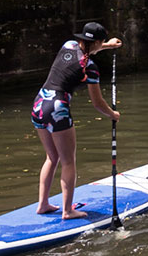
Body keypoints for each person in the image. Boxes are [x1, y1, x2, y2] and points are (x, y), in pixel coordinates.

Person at [30, 21, 122, 218]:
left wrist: (108, 45)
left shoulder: (68, 45)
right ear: (97, 41)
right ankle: (67, 210)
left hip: (39, 104)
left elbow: (90, 48)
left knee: (51, 157)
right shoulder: (90, 68)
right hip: (57, 109)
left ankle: (43, 204)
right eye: (102, 42)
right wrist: (112, 115)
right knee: (68, 161)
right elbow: (97, 103)